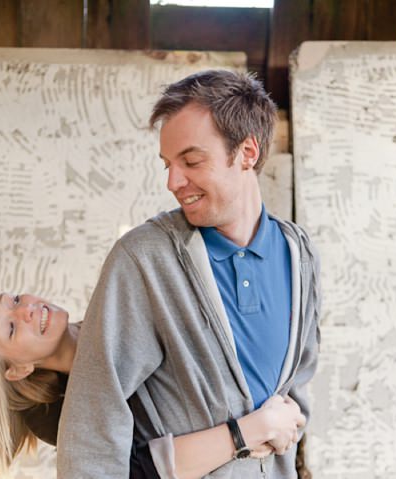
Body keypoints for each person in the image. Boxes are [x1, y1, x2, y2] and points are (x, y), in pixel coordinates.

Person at [57, 70, 321, 478]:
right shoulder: (145, 259)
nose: (173, 181)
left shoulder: (298, 253)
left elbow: (298, 385)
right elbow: (94, 414)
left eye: (191, 161)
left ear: (247, 152)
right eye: (167, 164)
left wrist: (288, 427)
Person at [0, 292, 306, 478]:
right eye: (9, 328)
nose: (24, 309)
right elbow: (149, 471)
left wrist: (275, 400)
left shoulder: (115, 307)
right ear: (18, 370)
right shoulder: (72, 421)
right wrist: (254, 428)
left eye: (11, 299)